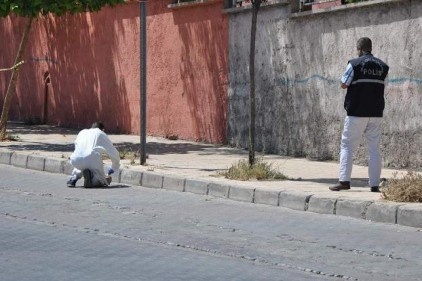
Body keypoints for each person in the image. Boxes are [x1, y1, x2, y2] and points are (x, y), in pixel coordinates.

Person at [330, 37, 389, 192]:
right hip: (376, 113)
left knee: (347, 145)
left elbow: (343, 83)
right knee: (374, 149)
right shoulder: (383, 66)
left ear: (359, 49)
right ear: (371, 48)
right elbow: (384, 86)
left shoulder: (354, 64)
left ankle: (344, 181)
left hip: (356, 112)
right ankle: (374, 184)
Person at [66, 122, 120, 188]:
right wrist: (114, 167)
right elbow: (114, 153)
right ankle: (92, 179)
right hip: (92, 159)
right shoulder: (101, 133)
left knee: (82, 163)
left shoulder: (82, 132)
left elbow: (78, 149)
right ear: (102, 129)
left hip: (75, 159)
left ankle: (73, 178)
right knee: (102, 180)